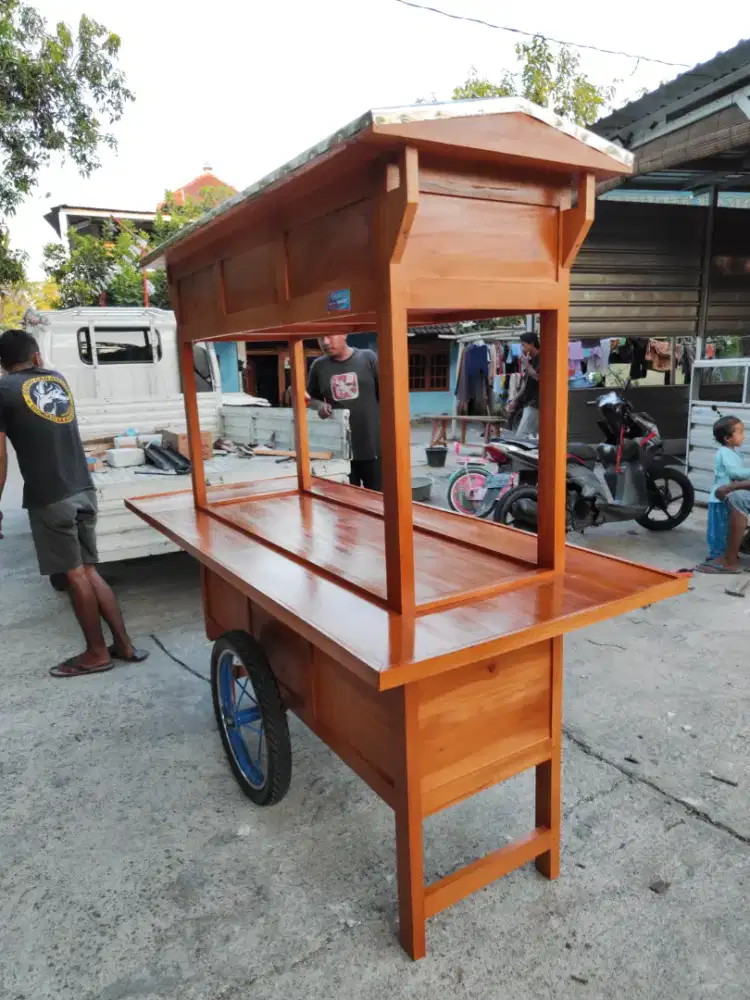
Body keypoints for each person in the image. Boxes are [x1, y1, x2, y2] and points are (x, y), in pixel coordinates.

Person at [0, 328, 148, 677]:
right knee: (90, 570)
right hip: (83, 487)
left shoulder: (4, 390)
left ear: (4, 365)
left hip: (50, 496)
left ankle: (97, 653)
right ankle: (124, 645)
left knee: (75, 574)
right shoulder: (58, 379)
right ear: (36, 357)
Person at [306, 334, 381, 490]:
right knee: (345, 502)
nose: (325, 342)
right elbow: (309, 398)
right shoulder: (318, 366)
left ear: (344, 334)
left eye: (329, 336)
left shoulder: (368, 358)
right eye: (320, 338)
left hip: (372, 446)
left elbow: (387, 396)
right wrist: (319, 405)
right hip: (338, 450)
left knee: (377, 501)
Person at [698, 415, 750, 574]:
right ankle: (719, 555)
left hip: (728, 495)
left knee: (723, 527)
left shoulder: (734, 452)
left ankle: (722, 555)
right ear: (727, 438)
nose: (744, 435)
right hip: (721, 497)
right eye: (740, 432)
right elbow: (735, 472)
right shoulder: (725, 452)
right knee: (719, 528)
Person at [507, 332, 540, 438]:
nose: (522, 348)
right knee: (531, 436)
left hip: (537, 403)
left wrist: (526, 363)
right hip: (530, 402)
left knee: (522, 434)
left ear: (532, 344)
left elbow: (537, 377)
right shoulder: (531, 359)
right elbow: (525, 384)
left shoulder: (542, 357)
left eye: (524, 345)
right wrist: (515, 400)